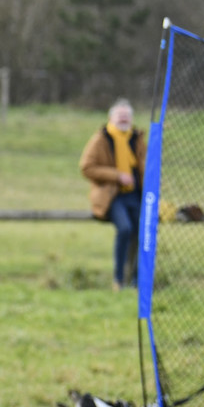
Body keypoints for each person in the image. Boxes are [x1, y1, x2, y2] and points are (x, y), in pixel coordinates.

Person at [78, 99, 146, 291]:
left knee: (143, 231)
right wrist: (117, 176)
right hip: (112, 196)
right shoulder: (101, 139)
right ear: (111, 118)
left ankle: (137, 280)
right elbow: (86, 167)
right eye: (120, 116)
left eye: (127, 116)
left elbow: (147, 165)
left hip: (135, 195)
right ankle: (118, 279)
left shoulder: (137, 139)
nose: (123, 119)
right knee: (125, 229)